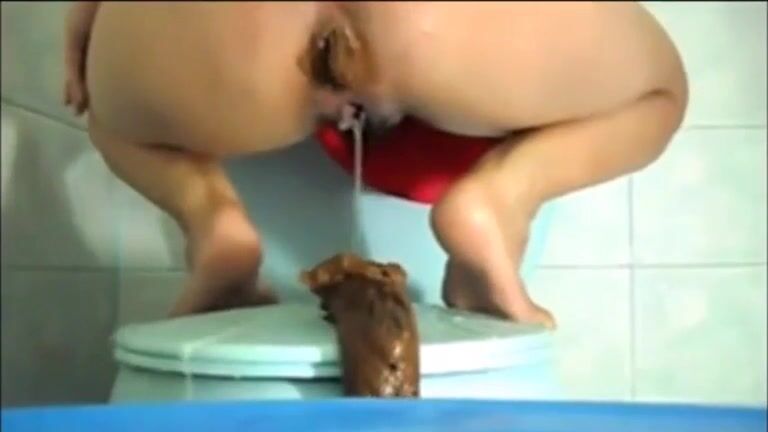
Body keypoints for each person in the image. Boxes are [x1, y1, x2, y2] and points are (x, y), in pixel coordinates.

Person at [63, 1, 687, 328]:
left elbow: (102, 84)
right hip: (426, 19)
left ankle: (211, 218)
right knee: (659, 92)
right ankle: (500, 199)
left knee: (108, 116)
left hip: (243, 25)